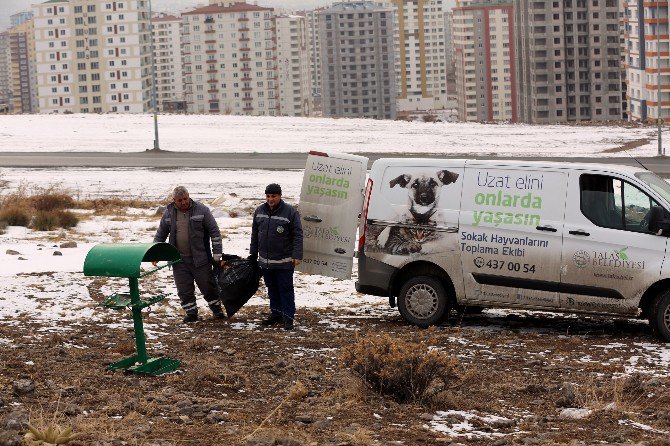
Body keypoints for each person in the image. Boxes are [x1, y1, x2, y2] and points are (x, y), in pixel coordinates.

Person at [154, 186, 225, 323]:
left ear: (189, 196)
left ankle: (217, 311)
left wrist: (217, 253)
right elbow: (161, 234)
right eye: (180, 200)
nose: (184, 202)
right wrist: (155, 253)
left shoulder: (202, 210)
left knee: (208, 286)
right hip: (178, 260)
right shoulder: (169, 213)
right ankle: (191, 313)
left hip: (200, 259)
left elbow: (214, 231)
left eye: (185, 199)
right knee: (184, 289)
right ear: (174, 200)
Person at [249, 183, 303, 330]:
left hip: (284, 262)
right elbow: (255, 234)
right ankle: (276, 313)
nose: (270, 199)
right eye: (268, 196)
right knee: (272, 288)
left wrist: (297, 255)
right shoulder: (259, 211)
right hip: (266, 262)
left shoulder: (290, 212)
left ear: (280, 195)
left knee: (285, 289)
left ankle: (288, 317)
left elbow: (298, 235)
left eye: (273, 196)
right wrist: (253, 253)